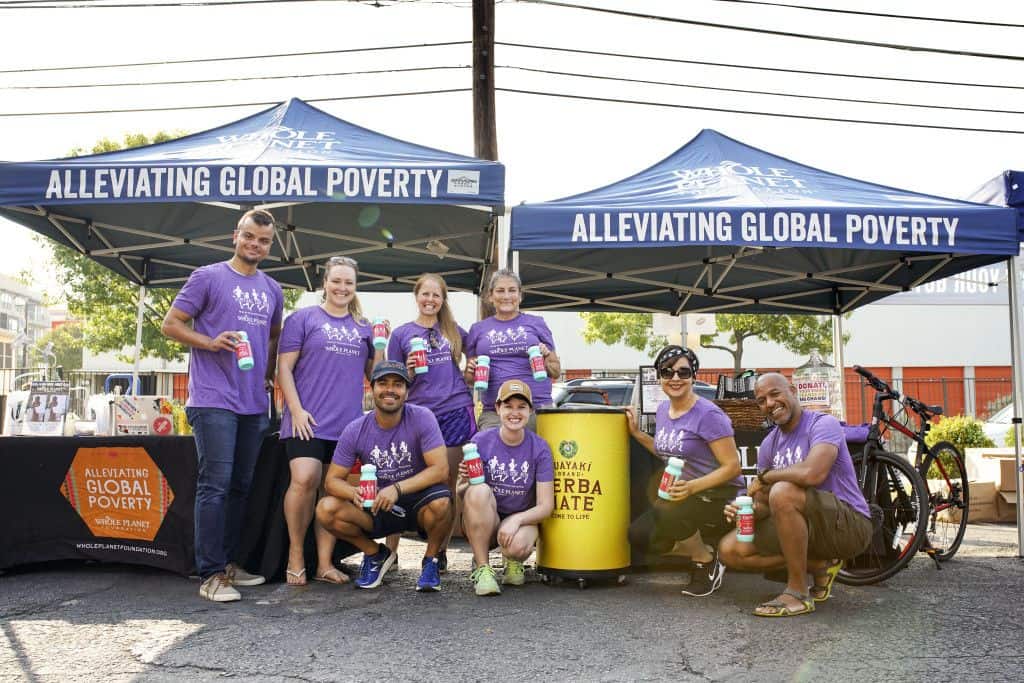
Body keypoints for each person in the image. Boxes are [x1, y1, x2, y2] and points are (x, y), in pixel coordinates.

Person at [161, 208, 284, 603]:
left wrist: (267, 372)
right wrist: (210, 342)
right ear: (236, 236)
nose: (255, 244)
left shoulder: (272, 289)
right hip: (213, 399)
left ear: (270, 245)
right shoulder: (208, 277)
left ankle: (228, 565)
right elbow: (171, 324)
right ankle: (211, 574)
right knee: (214, 485)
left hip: (252, 403)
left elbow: (272, 336)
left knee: (240, 486)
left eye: (263, 240)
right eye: (249, 236)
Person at [717, 372, 873, 617]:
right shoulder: (769, 443)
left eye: (775, 394)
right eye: (761, 400)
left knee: (783, 491)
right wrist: (746, 510)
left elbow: (813, 473)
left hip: (848, 525)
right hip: (802, 526)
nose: (769, 403)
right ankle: (819, 566)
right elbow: (765, 504)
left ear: (793, 391)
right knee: (731, 549)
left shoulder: (822, 424)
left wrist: (765, 477)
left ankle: (798, 593)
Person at [276, 256, 383, 586]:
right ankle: (296, 554)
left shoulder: (364, 326)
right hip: (306, 420)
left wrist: (380, 342)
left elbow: (377, 375)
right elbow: (284, 368)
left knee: (331, 495)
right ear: (325, 283)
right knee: (305, 479)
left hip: (347, 425)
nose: (342, 288)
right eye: (336, 281)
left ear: (355, 286)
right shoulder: (303, 319)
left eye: (348, 283)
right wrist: (295, 410)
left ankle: (324, 563)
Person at [316, 360, 453, 591]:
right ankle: (375, 553)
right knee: (326, 509)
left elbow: (441, 470)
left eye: (398, 384)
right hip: (378, 506)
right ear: (372, 388)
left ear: (407, 392)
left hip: (418, 502)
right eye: (383, 383)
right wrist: (353, 492)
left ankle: (431, 560)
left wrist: (397, 488)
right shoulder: (355, 429)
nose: (390, 389)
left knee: (443, 501)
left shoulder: (422, 417)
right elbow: (331, 481)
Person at [625, 345, 743, 597]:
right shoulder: (663, 411)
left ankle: (705, 561)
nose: (675, 378)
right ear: (659, 377)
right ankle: (708, 550)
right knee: (639, 536)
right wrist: (637, 434)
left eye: (683, 372)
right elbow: (666, 451)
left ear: (694, 376)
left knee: (670, 507)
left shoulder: (709, 414)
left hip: (719, 494)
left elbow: (732, 467)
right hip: (683, 493)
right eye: (667, 372)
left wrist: (691, 487)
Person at [385, 273, 475, 572]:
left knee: (449, 482)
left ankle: (440, 552)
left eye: (436, 295)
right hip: (418, 414)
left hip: (455, 410)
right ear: (416, 296)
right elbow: (392, 384)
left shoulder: (454, 330)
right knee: (402, 476)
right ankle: (390, 551)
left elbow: (474, 361)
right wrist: (408, 373)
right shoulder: (401, 334)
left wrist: (470, 373)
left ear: (442, 299)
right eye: (426, 294)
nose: (430, 300)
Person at [459, 379, 554, 596]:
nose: (515, 412)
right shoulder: (480, 442)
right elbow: (462, 495)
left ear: (531, 410)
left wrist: (516, 519)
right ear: (498, 408)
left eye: (521, 407)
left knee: (518, 546)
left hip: (521, 521)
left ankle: (513, 561)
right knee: (479, 490)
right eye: (508, 406)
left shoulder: (540, 447)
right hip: (487, 520)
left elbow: (546, 506)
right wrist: (464, 482)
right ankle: (483, 568)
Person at [464, 269, 560, 431]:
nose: (506, 296)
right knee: (492, 454)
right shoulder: (478, 329)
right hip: (496, 412)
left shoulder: (536, 323)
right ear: (490, 296)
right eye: (500, 291)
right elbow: (469, 379)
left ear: (520, 295)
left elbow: (556, 371)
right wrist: (470, 370)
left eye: (512, 290)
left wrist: (546, 356)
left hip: (536, 408)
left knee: (539, 455)